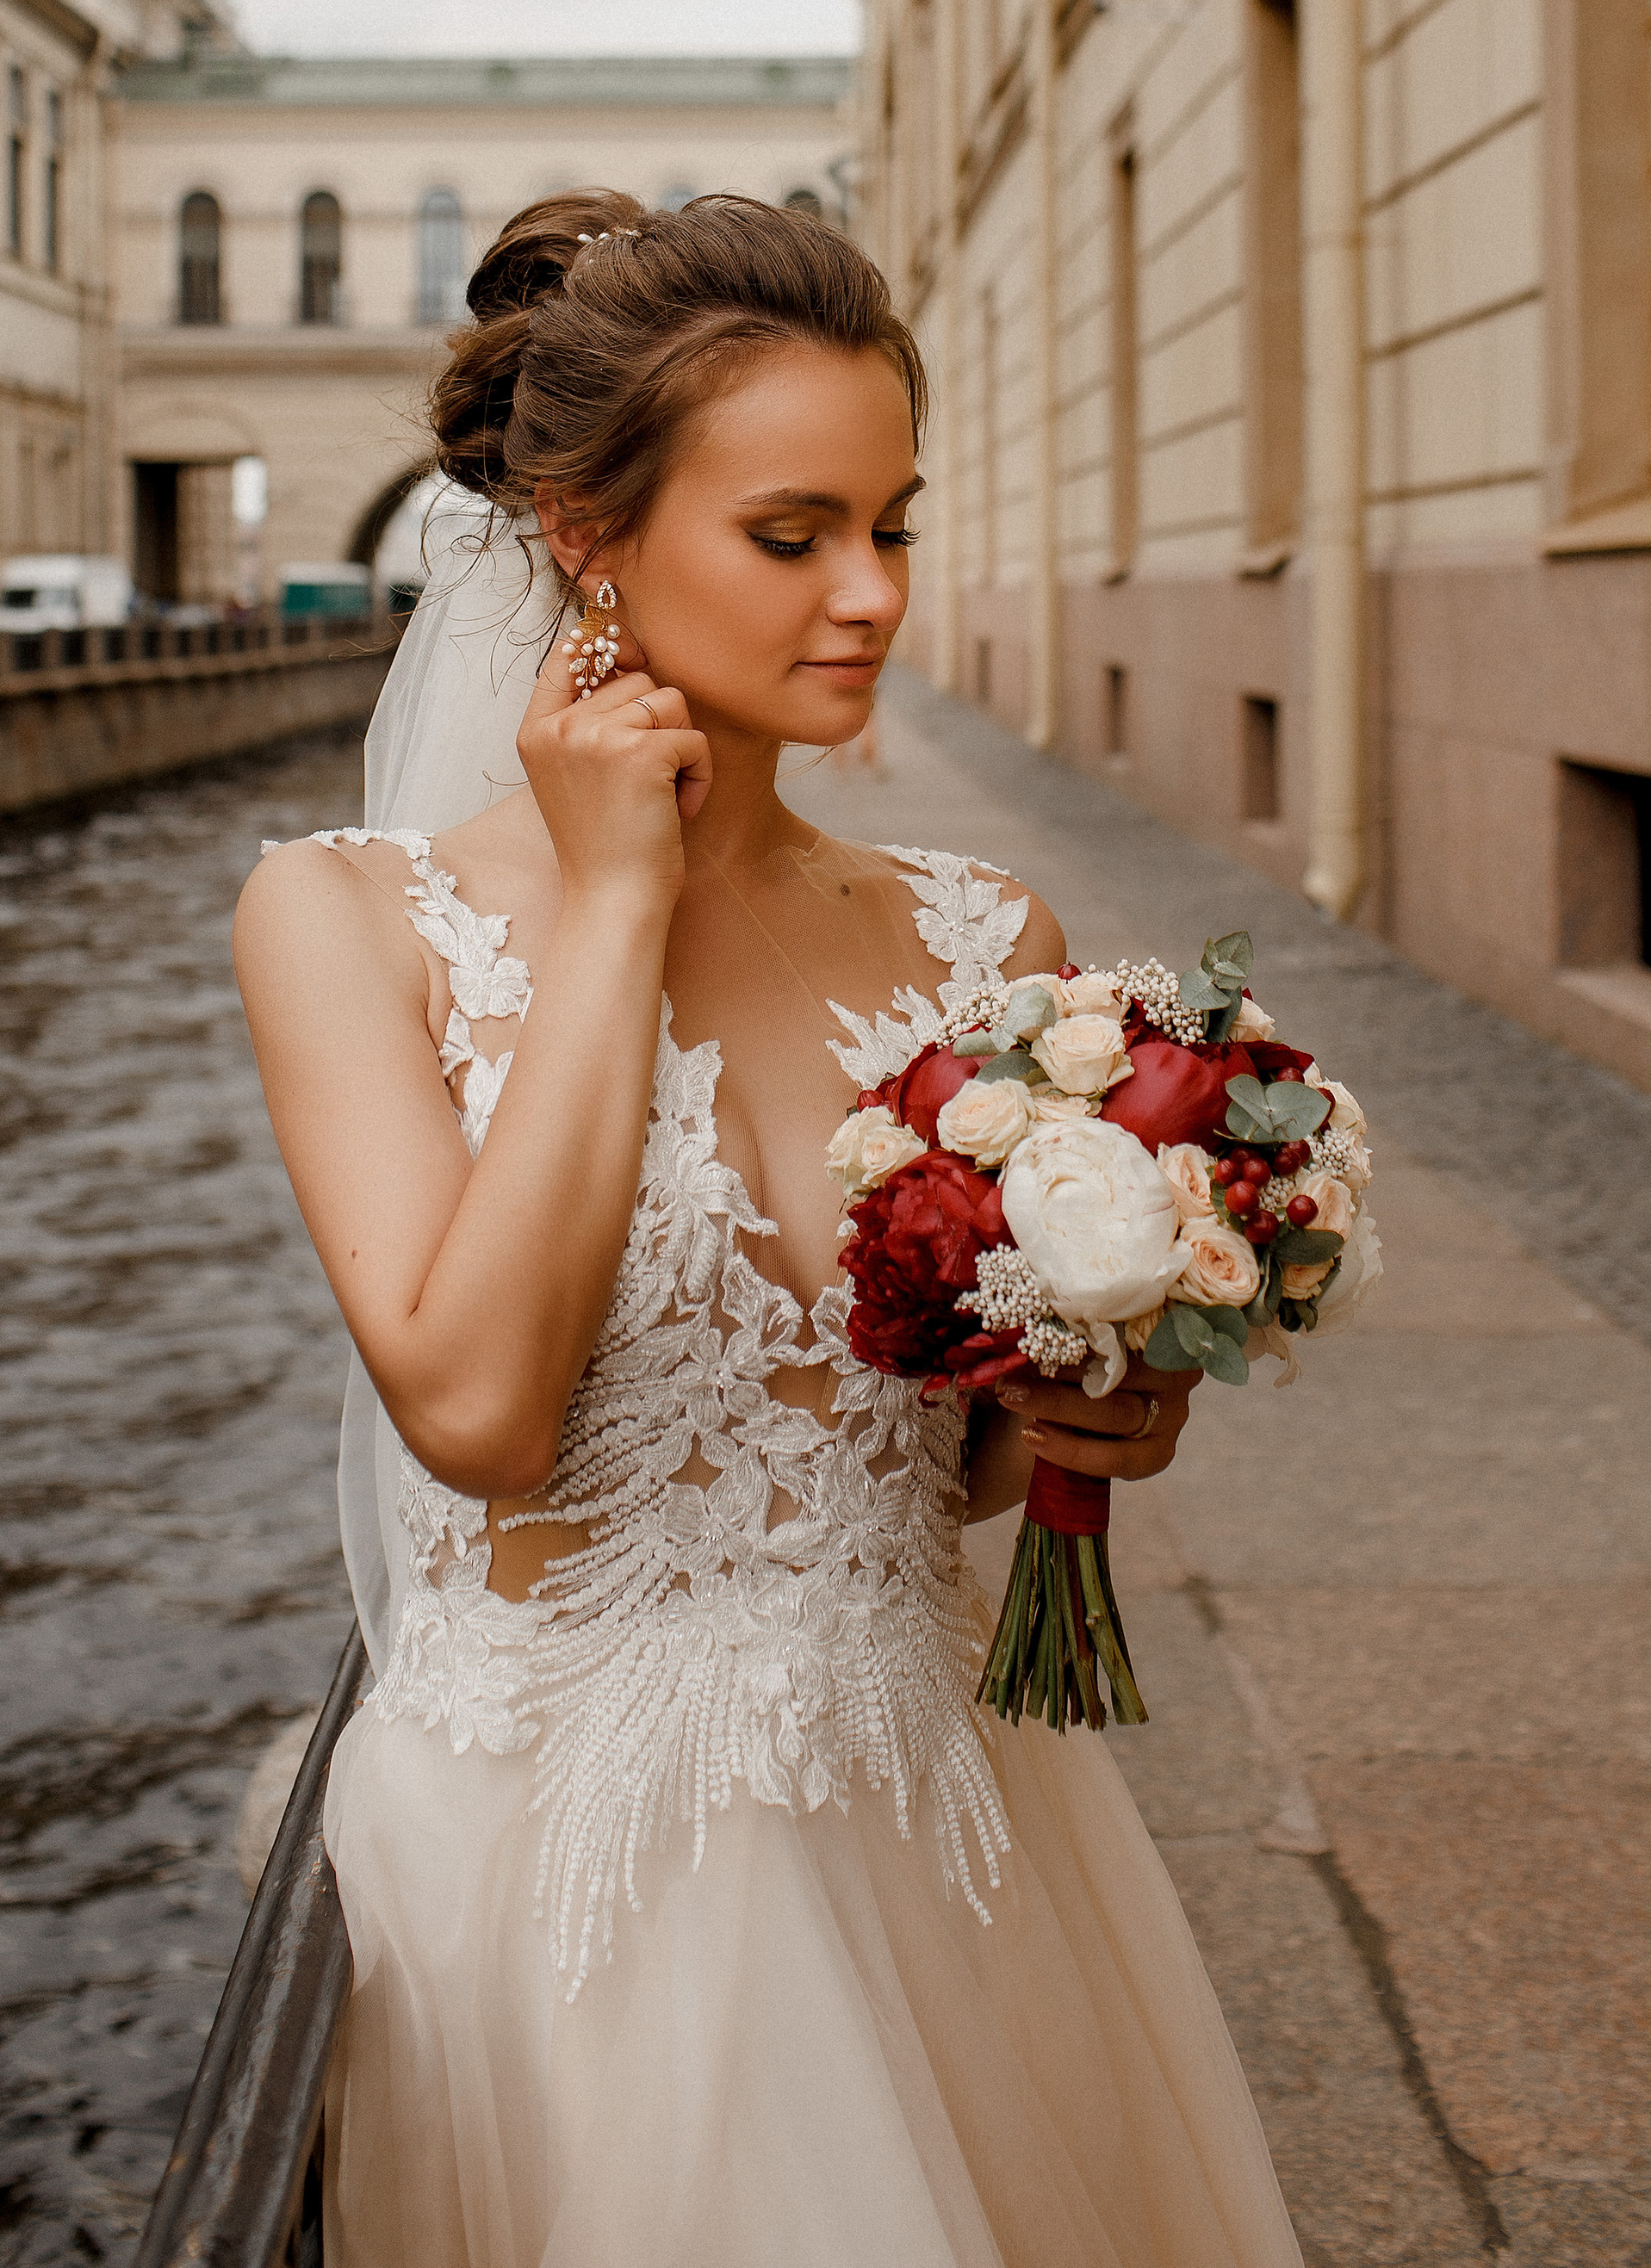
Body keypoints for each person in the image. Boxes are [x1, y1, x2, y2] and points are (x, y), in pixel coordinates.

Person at [234, 193, 1300, 2268]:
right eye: (791, 535)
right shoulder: (346, 921)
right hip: (580, 1875)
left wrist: (1086, 1413)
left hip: (948, 1820)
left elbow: (935, 1457)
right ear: (587, 538)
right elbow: (478, 1415)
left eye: (890, 526)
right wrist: (614, 900)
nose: (871, 593)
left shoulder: (984, 938)